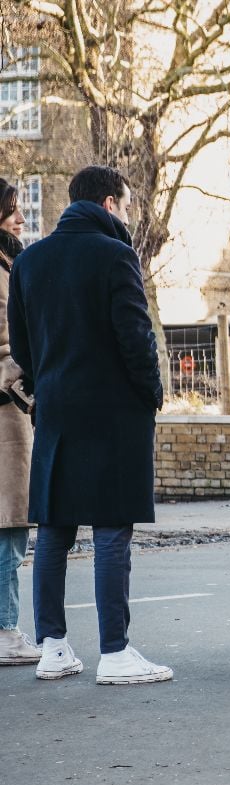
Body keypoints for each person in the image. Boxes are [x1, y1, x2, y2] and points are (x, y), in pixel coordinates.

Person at [7, 165, 172, 684]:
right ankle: (116, 652)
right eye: (124, 204)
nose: (126, 213)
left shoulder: (29, 261)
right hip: (114, 411)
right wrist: (151, 394)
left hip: (55, 408)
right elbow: (136, 338)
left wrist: (46, 387)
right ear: (108, 203)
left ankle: (53, 647)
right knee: (110, 530)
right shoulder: (116, 256)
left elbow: (22, 343)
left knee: (54, 529)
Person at [0, 178, 39, 665]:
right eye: (12, 209)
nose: (21, 218)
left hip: (14, 411)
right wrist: (28, 385)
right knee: (9, 527)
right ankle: (7, 630)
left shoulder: (13, 264)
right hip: (7, 414)